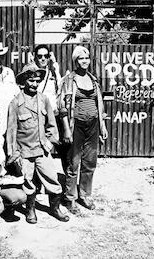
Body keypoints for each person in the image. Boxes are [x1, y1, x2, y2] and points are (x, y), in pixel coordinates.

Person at [6, 62, 69, 224]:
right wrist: (14, 154)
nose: (34, 84)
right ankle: (31, 210)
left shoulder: (44, 100)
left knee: (52, 179)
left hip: (42, 150)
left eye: (37, 81)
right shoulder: (15, 103)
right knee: (28, 183)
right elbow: (11, 132)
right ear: (24, 81)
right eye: (31, 80)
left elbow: (51, 125)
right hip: (24, 152)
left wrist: (49, 142)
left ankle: (55, 208)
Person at [58, 46, 108, 214]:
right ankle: (70, 198)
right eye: (81, 58)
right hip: (76, 126)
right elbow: (62, 107)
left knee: (90, 162)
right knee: (73, 163)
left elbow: (99, 105)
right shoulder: (68, 80)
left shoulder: (94, 80)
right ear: (75, 60)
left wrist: (102, 126)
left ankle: (84, 195)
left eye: (86, 57)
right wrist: (66, 130)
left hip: (93, 125)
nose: (84, 61)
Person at [33, 44, 62, 115]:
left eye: (46, 56)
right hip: (37, 114)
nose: (43, 59)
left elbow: (60, 90)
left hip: (53, 114)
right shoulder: (32, 74)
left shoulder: (53, 73)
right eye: (40, 56)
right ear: (36, 57)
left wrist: (55, 65)